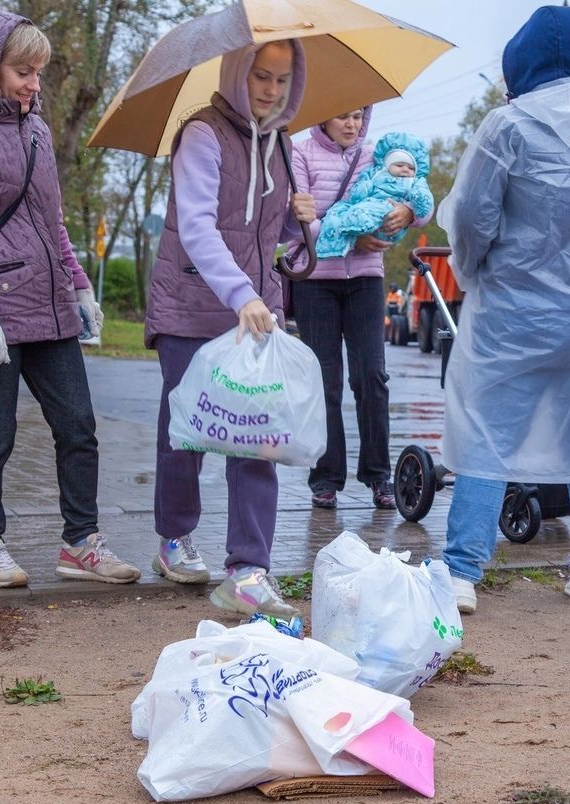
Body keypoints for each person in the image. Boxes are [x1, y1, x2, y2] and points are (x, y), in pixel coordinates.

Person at [0, 7, 139, 589]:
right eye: (22, 70)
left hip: (49, 305)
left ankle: (81, 544)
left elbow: (52, 220)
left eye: (38, 71)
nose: (33, 84)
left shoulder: (35, 128)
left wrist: (81, 284)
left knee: (79, 427)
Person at [434, 5, 570, 614]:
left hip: (517, 312)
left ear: (521, 61)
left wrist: (473, 272)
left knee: (486, 430)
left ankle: (461, 572)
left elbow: (472, 217)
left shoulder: (508, 127)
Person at [145, 40, 316, 617]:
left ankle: (248, 568)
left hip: (256, 311)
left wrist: (301, 226)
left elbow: (269, 243)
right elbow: (197, 226)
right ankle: (174, 536)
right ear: (239, 73)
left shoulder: (282, 146)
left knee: (257, 437)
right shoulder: (201, 134)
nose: (270, 90)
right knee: (188, 431)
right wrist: (242, 293)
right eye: (260, 77)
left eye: (282, 79)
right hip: (191, 303)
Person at [289, 109, 429, 510]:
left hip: (366, 281)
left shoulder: (374, 154)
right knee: (325, 382)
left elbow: (413, 190)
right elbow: (299, 220)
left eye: (356, 117)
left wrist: (411, 213)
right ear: (323, 119)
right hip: (315, 281)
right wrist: (354, 235)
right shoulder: (299, 154)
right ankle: (325, 478)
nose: (350, 124)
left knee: (371, 376)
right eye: (340, 117)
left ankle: (378, 475)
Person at [314, 132, 433, 258]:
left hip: (387, 214)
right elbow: (363, 186)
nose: (405, 169)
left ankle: (355, 224)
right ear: (388, 165)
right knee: (336, 213)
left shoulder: (413, 181)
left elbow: (426, 204)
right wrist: (361, 192)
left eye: (410, 168)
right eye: (399, 165)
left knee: (374, 209)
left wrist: (410, 212)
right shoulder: (377, 172)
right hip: (314, 268)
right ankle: (331, 245)